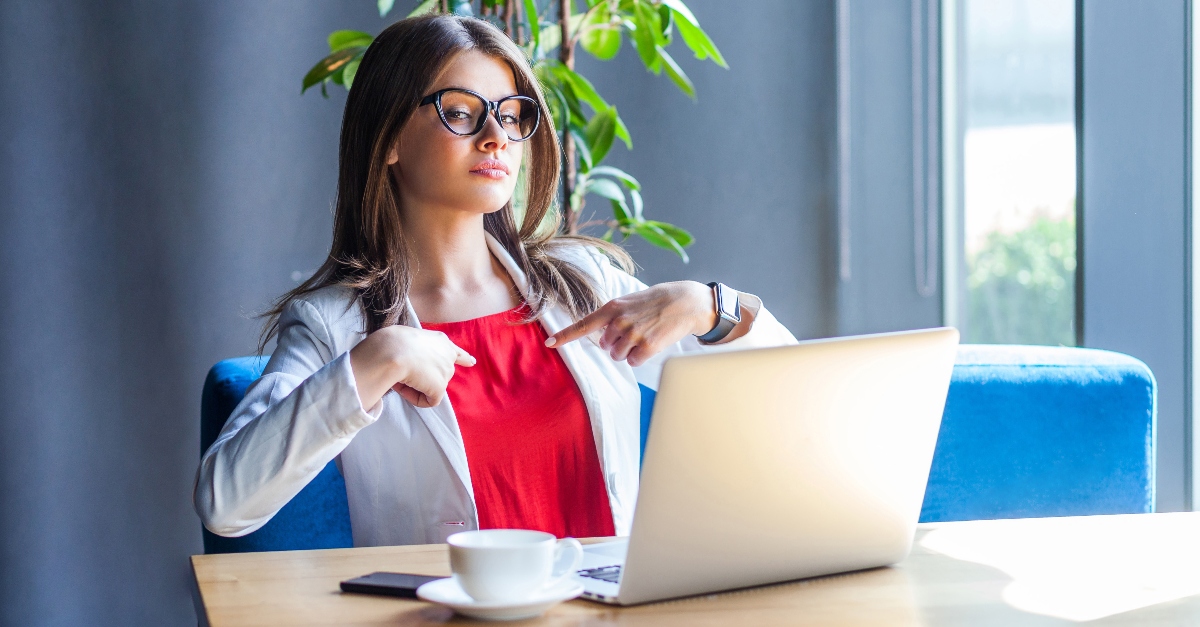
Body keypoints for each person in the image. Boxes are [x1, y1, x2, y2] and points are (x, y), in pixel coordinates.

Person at [193, 14, 797, 547]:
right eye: (460, 112)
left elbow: (792, 401)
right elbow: (225, 504)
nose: (496, 137)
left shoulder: (582, 285)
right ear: (389, 139)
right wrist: (381, 357)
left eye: (512, 116)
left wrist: (709, 306)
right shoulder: (336, 325)